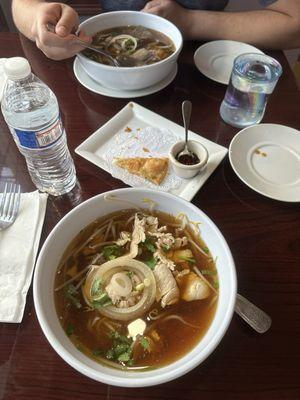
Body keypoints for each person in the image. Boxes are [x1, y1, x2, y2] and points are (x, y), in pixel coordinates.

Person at [12, 0, 300, 60]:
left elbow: (294, 23)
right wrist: (41, 21)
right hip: (87, 62)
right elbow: (21, 6)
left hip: (205, 62)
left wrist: (189, 21)